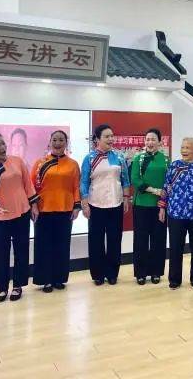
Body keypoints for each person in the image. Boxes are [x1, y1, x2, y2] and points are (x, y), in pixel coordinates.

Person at [0, 132, 39, 302]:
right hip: (0, 218)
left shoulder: (18, 161)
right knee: (1, 253)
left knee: (21, 251)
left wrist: (34, 205)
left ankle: (18, 286)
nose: (3, 147)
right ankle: (2, 288)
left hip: (21, 213)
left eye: (3, 143)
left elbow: (28, 185)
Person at [80, 124, 131, 286]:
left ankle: (112, 273)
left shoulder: (119, 157)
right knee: (96, 240)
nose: (110, 139)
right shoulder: (89, 158)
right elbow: (84, 182)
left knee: (115, 239)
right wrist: (85, 204)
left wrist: (126, 198)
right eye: (107, 136)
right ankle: (98, 274)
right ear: (97, 139)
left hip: (116, 203)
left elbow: (125, 179)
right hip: (96, 204)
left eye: (112, 136)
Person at [31, 130, 81, 293]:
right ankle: (45, 280)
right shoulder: (40, 163)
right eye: (54, 140)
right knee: (43, 246)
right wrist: (34, 206)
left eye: (61, 140)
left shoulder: (73, 164)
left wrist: (77, 206)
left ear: (66, 143)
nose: (58, 143)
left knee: (62, 246)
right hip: (43, 210)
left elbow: (76, 186)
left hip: (65, 210)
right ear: (49, 142)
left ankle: (59, 278)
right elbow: (31, 187)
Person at [159, 137, 193, 290]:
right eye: (183, 147)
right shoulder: (174, 166)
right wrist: (162, 206)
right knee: (175, 248)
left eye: (188, 148)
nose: (184, 150)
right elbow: (166, 187)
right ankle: (174, 279)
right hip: (176, 213)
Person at [131, 128, 169, 285]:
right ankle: (140, 273)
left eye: (153, 139)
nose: (150, 142)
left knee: (158, 239)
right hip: (141, 204)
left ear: (160, 142)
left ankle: (156, 272)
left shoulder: (166, 160)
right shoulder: (138, 158)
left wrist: (163, 201)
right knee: (140, 239)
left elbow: (169, 182)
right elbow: (135, 179)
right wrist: (155, 190)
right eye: (147, 139)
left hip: (159, 206)